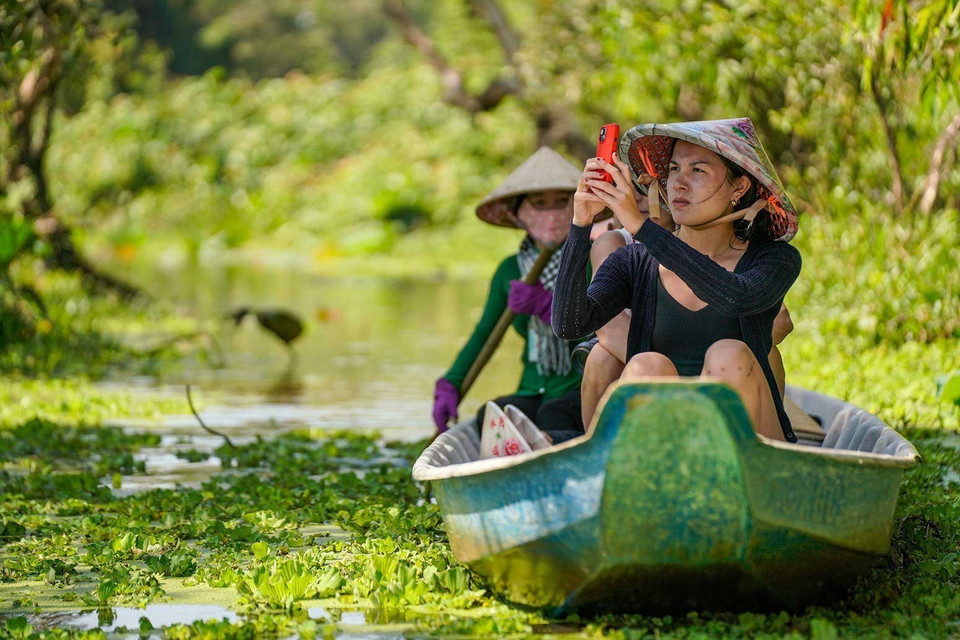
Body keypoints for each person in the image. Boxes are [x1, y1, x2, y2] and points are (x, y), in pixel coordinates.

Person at [552, 118, 802, 442]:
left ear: (738, 188)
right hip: (670, 443)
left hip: (748, 446)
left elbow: (736, 297)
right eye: (673, 169)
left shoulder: (774, 258)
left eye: (698, 170)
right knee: (646, 366)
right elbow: (569, 325)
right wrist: (580, 223)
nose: (679, 184)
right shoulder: (635, 262)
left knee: (728, 355)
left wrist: (643, 229)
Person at [432, 147, 596, 442]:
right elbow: (485, 334)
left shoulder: (593, 259)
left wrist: (550, 308)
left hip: (581, 387)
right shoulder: (511, 270)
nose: (551, 214)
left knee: (553, 415)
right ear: (518, 212)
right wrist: (451, 383)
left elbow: (603, 334)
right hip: (533, 389)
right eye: (539, 204)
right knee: (491, 415)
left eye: (561, 202)